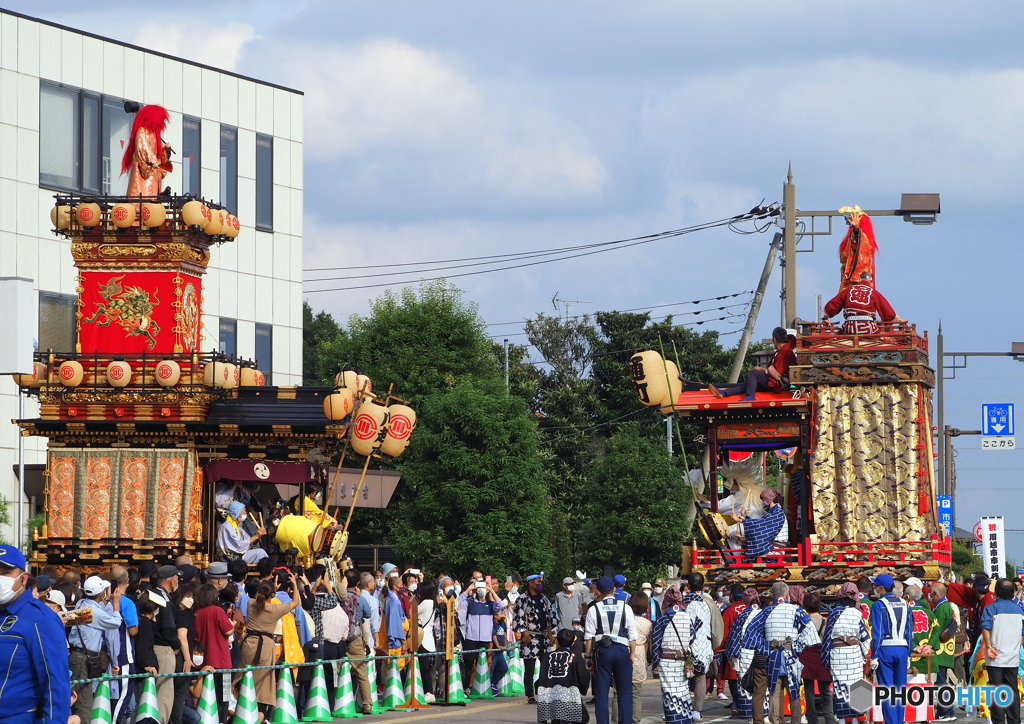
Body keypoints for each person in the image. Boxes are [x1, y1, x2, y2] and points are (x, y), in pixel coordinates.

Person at [0, 544, 71, 724]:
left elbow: (55, 679)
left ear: (23, 579)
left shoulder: (40, 618)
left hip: (18, 717)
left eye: (5, 572)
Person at [743, 582, 819, 724]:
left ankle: (775, 721)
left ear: (773, 595)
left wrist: (764, 647)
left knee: (774, 691)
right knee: (794, 691)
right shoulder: (796, 611)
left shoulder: (765, 611)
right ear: (787, 595)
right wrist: (797, 646)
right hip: (792, 655)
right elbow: (810, 630)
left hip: (772, 654)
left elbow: (750, 632)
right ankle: (796, 720)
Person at [238, 574, 301, 719]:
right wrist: (294, 584)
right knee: (263, 683)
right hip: (265, 646)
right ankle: (260, 714)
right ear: (272, 595)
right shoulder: (275, 609)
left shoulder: (250, 603)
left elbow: (260, 598)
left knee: (244, 677)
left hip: (248, 643)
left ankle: (241, 710)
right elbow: (296, 602)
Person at [69, 575, 123, 720]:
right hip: (84, 659)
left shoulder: (81, 604)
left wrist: (105, 600)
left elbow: (96, 614)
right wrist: (116, 604)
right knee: (85, 704)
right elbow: (115, 623)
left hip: (76, 654)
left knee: (75, 698)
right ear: (101, 593)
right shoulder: (94, 612)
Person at [585, 576, 638, 724]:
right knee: (625, 693)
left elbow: (589, 637)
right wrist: (632, 654)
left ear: (598, 592)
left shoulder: (594, 609)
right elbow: (632, 635)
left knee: (601, 694)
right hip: (622, 651)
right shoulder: (625, 607)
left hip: (603, 652)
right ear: (614, 589)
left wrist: (588, 657)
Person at [867, 574, 913, 724]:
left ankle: (891, 721)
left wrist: (874, 655)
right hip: (903, 649)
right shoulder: (905, 604)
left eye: (875, 586)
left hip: (885, 650)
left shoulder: (878, 605)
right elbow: (909, 631)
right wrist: (908, 655)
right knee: (900, 690)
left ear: (881, 588)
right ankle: (899, 721)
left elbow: (877, 632)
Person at [709, 327, 796, 401]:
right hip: (780, 382)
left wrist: (761, 369)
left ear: (774, 339)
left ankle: (750, 396)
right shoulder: (784, 351)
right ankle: (724, 393)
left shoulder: (785, 352)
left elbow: (777, 374)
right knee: (750, 384)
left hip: (780, 384)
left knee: (754, 373)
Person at [981, 578, 1024, 724]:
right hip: (1012, 656)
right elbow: (1022, 634)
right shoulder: (1020, 609)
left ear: (996, 592)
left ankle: (998, 721)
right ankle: (1014, 720)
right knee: (1012, 689)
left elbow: (985, 628)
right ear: (1013, 592)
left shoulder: (991, 608)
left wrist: (988, 646)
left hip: (995, 656)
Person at [652, 585, 695, 724]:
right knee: (684, 690)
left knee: (670, 692)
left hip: (667, 660)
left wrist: (655, 662)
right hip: (685, 660)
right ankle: (686, 718)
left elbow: (656, 643)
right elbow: (692, 639)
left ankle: (674, 720)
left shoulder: (663, 619)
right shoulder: (688, 618)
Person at [513, 572, 557, 703]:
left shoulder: (544, 598)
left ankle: (541, 687)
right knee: (530, 668)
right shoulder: (522, 599)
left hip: (544, 636)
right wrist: (524, 633)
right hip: (530, 636)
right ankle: (530, 695)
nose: (540, 585)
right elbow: (519, 617)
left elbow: (551, 615)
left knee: (547, 666)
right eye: (538, 582)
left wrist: (552, 633)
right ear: (530, 583)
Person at [194, 583, 233, 723]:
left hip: (201, 661)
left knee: (203, 697)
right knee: (223, 698)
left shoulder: (196, 612)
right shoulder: (217, 611)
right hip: (222, 661)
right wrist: (232, 624)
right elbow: (228, 630)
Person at [536, 628, 592, 724]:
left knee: (556, 716)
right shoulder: (575, 656)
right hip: (570, 694)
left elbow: (542, 677)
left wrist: (540, 692)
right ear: (573, 643)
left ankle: (557, 719)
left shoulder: (547, 656)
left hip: (550, 695)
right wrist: (583, 690)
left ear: (557, 640)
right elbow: (583, 675)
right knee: (583, 718)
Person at [683, 573, 719, 720]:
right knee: (700, 677)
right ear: (703, 585)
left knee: (686, 677)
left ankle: (683, 707)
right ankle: (697, 710)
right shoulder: (709, 603)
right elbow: (715, 626)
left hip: (687, 646)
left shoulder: (683, 602)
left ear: (688, 586)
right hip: (703, 645)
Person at [725, 587, 762, 722]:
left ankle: (746, 711)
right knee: (761, 683)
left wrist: (731, 654)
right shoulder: (763, 613)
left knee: (745, 681)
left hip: (745, 651)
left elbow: (734, 636)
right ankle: (762, 712)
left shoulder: (742, 615)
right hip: (761, 652)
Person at [799, 593, 836, 724]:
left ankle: (812, 719)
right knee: (825, 689)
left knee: (808, 690)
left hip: (807, 656)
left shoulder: (804, 621)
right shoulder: (826, 621)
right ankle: (829, 718)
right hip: (822, 655)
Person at [823, 273, 902, 334]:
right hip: (867, 327)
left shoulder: (849, 290)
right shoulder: (873, 292)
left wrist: (825, 318)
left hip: (849, 328)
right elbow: (887, 310)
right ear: (871, 282)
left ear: (860, 279)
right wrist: (895, 319)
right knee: (882, 335)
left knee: (839, 334)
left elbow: (834, 304)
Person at [460, 580, 504, 686]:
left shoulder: (490, 605)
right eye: (479, 587)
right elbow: (458, 602)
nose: (481, 590)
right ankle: (466, 687)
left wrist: (491, 591)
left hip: (485, 639)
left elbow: (500, 604)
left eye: (483, 587)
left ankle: (482, 687)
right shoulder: (470, 603)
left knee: (483, 665)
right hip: (471, 638)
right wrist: (468, 589)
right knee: (469, 665)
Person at [926, 582, 958, 722]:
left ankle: (945, 711)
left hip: (940, 650)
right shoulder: (946, 605)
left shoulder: (941, 608)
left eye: (931, 593)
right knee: (942, 681)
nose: (929, 596)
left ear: (935, 594)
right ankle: (949, 711)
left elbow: (936, 630)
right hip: (946, 649)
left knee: (940, 682)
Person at [736, 489, 786, 557]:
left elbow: (759, 524)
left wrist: (740, 520)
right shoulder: (775, 512)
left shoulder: (777, 513)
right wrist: (745, 516)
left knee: (744, 559)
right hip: (770, 547)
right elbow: (760, 528)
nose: (762, 503)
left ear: (767, 500)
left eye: (763, 500)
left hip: (775, 549)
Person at [629, 592, 653, 724]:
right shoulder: (647, 623)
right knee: (636, 693)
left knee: (617, 692)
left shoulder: (625, 619)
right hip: (639, 653)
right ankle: (635, 719)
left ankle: (617, 719)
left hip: (624, 652)